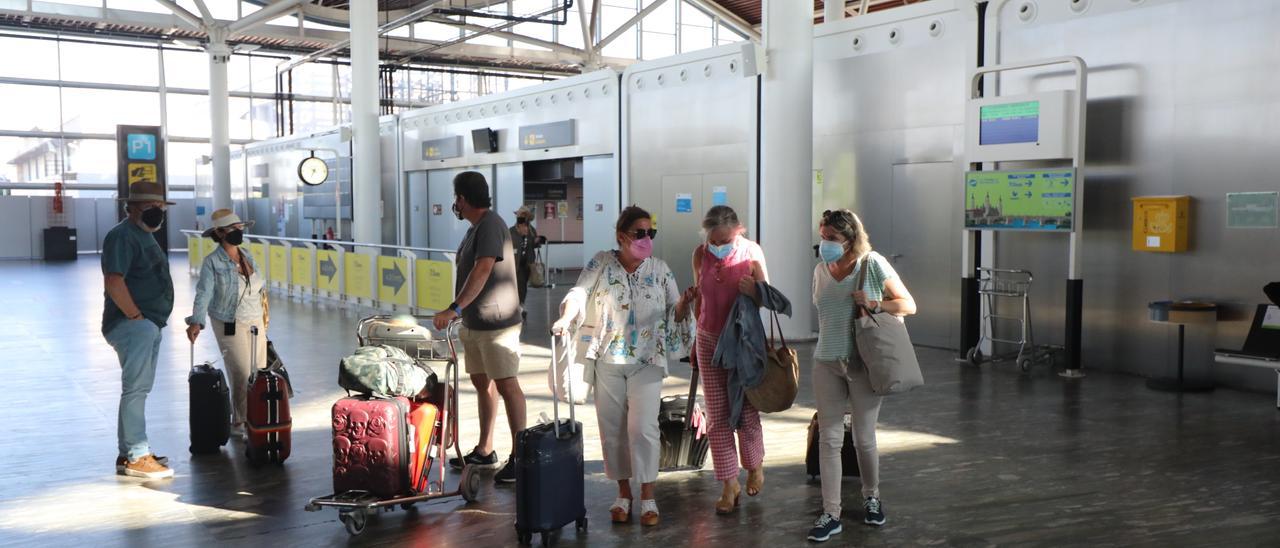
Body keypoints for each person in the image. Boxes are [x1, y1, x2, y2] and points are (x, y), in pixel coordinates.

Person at [551, 206, 695, 527]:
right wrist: (566, 315)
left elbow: (676, 311)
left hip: (647, 360)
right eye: (639, 233)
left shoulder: (660, 270)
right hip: (608, 359)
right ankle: (623, 493)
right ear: (621, 236)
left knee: (642, 429)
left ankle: (648, 496)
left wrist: (685, 304)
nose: (646, 239)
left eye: (650, 233)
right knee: (613, 430)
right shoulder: (601, 263)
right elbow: (579, 291)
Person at [806, 209, 916, 542]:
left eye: (832, 238)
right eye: (822, 237)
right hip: (825, 361)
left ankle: (871, 497)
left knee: (864, 438)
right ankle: (831, 511)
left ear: (851, 239)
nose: (824, 243)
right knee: (829, 438)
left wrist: (875, 303)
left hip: (862, 364)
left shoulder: (873, 264)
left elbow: (908, 305)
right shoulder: (820, 270)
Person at [434, 171, 526, 484]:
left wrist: (454, 308)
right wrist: (462, 312)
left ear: (463, 198)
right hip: (474, 321)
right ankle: (486, 449)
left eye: (456, 197)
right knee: (481, 382)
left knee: (506, 384)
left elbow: (484, 269)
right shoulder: (476, 227)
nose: (455, 204)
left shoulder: (490, 225)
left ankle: (521, 455)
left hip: (497, 323)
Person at [688, 205, 769, 514]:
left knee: (746, 410)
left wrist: (755, 289)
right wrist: (696, 341)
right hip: (708, 338)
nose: (719, 246)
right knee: (718, 414)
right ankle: (728, 483)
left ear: (739, 231)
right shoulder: (699, 254)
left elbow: (768, 297)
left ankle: (754, 465)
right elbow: (701, 299)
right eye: (714, 240)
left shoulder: (751, 252)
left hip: (743, 341)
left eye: (725, 239)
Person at [102, 180, 175, 479]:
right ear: (130, 208)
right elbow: (114, 280)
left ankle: (129, 453)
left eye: (160, 208)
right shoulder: (122, 236)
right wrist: (136, 317)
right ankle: (137, 454)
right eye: (149, 208)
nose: (156, 213)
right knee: (136, 389)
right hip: (134, 325)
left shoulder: (144, 235)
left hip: (148, 324)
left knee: (138, 389)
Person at [184, 209, 267, 440]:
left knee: (258, 372)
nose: (238, 231)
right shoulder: (212, 262)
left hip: (255, 318)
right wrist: (196, 322)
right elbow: (203, 293)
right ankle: (239, 420)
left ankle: (256, 417)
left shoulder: (247, 255)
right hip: (227, 320)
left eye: (239, 227)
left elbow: (260, 283)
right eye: (232, 229)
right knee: (240, 371)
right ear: (220, 233)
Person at [510, 206, 541, 312]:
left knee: (522, 285)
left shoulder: (531, 230)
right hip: (514, 263)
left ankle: (521, 304)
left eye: (524, 216)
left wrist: (537, 240)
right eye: (521, 215)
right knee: (517, 285)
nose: (522, 217)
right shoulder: (511, 232)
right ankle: (517, 305)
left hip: (527, 264)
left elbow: (535, 245)